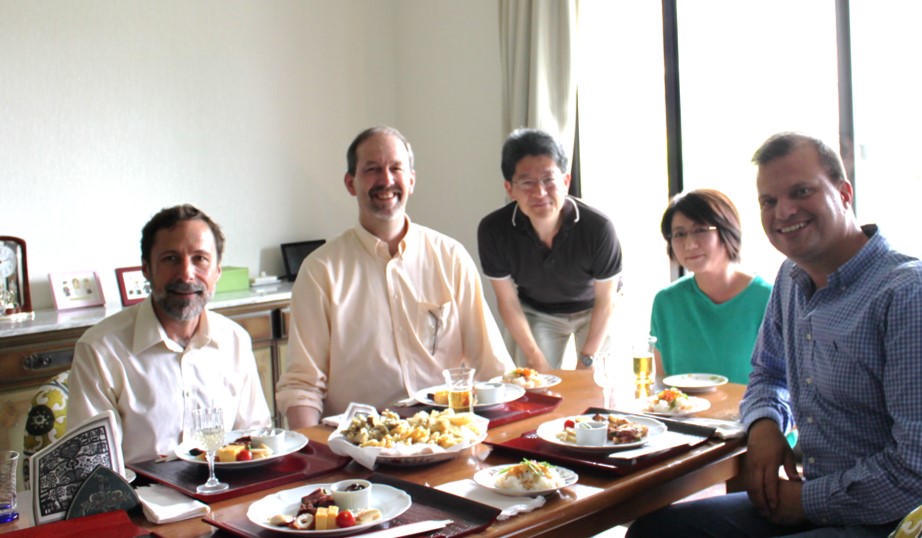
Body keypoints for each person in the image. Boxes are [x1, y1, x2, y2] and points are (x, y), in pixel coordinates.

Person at [627, 132, 922, 537]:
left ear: (844, 192)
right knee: (656, 531)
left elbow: (915, 467)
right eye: (769, 201)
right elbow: (767, 373)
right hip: (815, 491)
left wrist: (805, 502)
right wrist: (765, 425)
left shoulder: (905, 292)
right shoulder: (792, 277)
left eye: (801, 191)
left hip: (892, 518)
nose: (784, 211)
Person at [276, 126, 515, 428]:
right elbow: (303, 386)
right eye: (372, 169)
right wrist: (314, 459)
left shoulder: (450, 257)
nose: (386, 180)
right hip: (360, 446)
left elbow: (492, 368)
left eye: (396, 168)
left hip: (447, 433)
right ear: (351, 183)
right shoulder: (320, 271)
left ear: (411, 180)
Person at [67, 204, 272, 464]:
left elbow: (256, 440)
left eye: (200, 259)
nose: (186, 273)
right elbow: (93, 466)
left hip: (225, 488)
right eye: (171, 259)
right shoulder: (100, 349)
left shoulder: (235, 340)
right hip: (140, 498)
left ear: (218, 270)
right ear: (146, 269)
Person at [477, 128, 622, 372]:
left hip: (593, 308)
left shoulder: (598, 227)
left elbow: (606, 300)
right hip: (538, 311)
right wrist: (534, 357)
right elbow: (507, 301)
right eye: (527, 182)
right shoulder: (494, 230)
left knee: (598, 384)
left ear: (565, 181)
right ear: (509, 188)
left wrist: (587, 359)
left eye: (548, 180)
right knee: (536, 386)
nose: (540, 192)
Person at [650, 189, 771, 385]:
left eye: (700, 230)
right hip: (679, 415)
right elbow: (662, 379)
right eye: (679, 234)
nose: (689, 244)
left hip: (750, 415)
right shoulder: (666, 301)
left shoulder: (767, 299)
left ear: (727, 230)